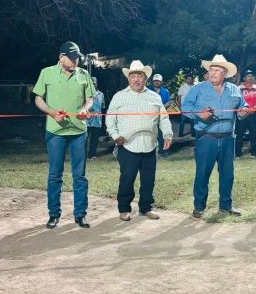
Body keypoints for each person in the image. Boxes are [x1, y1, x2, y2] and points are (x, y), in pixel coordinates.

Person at [33, 41, 96, 229]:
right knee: (55, 175)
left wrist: (86, 109)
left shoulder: (84, 74)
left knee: (80, 175)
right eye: (72, 57)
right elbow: (38, 98)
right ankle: (54, 214)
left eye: (77, 57)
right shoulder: (47, 73)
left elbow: (90, 99)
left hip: (78, 131)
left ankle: (80, 215)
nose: (76, 60)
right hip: (56, 132)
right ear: (61, 57)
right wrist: (51, 112)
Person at [181, 54, 251, 218]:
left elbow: (243, 107)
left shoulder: (234, 90)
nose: (212, 73)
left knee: (228, 174)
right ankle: (199, 207)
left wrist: (244, 112)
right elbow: (185, 107)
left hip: (227, 139)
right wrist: (199, 114)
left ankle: (226, 206)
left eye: (217, 70)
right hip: (206, 138)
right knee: (202, 173)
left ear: (225, 73)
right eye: (211, 69)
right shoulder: (198, 89)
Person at [106, 60, 173, 221]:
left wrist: (168, 134)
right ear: (128, 79)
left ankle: (146, 207)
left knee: (149, 180)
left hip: (150, 144)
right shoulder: (119, 97)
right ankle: (124, 208)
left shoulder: (154, 97)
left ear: (146, 79)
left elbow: (163, 117)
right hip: (127, 145)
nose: (136, 79)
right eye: (133, 76)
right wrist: (115, 136)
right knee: (127, 179)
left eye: (140, 76)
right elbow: (109, 119)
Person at [235, 69, 256, 158]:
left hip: (253, 114)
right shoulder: (239, 88)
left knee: (254, 133)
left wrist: (253, 109)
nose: (250, 77)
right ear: (244, 78)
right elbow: (237, 100)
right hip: (243, 114)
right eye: (248, 76)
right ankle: (238, 153)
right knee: (240, 134)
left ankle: (255, 153)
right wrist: (243, 110)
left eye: (251, 76)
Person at [148, 74, 172, 158]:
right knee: (150, 133)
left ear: (161, 82)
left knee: (162, 134)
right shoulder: (147, 91)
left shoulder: (166, 91)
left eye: (158, 81)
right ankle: (150, 152)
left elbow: (169, 102)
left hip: (162, 115)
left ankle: (163, 152)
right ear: (153, 82)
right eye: (155, 81)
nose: (156, 82)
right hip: (150, 116)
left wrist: (161, 108)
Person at [86, 76, 105, 159]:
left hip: (97, 121)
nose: (93, 85)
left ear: (97, 84)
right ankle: (84, 155)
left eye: (94, 83)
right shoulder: (86, 94)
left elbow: (103, 106)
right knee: (84, 140)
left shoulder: (101, 95)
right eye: (91, 83)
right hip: (87, 121)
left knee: (94, 140)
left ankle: (92, 155)